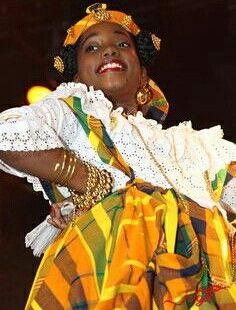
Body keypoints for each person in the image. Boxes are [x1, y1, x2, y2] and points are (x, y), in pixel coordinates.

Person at [0, 3, 236, 309]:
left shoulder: (193, 145)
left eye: (123, 44)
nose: (110, 51)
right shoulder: (73, 114)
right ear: (77, 77)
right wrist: (85, 179)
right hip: (112, 274)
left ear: (143, 75)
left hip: (201, 284)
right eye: (93, 47)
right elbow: (6, 134)